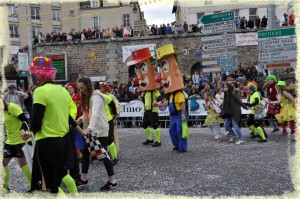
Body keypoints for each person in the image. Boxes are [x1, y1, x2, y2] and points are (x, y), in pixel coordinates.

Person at [28, 56, 86, 196]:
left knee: (48, 185)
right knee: (60, 175)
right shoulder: (63, 91)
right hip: (64, 142)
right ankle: (75, 195)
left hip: (47, 142)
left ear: (38, 75)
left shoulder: (40, 91)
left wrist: (29, 132)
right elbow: (68, 117)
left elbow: (36, 122)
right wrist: (81, 132)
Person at [75, 76, 117, 191]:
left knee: (102, 156)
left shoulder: (96, 97)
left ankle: (112, 181)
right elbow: (87, 113)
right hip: (90, 130)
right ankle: (84, 179)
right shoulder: (88, 96)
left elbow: (95, 114)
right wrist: (79, 120)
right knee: (85, 155)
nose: (81, 91)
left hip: (99, 131)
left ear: (88, 86)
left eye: (82, 88)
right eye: (79, 89)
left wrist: (90, 128)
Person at [156, 44, 188, 152]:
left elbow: (183, 104)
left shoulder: (179, 94)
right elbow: (167, 104)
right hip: (173, 116)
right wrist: (158, 104)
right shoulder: (170, 95)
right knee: (171, 131)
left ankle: (183, 148)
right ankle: (177, 145)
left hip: (179, 115)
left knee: (180, 130)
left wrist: (183, 115)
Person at [127, 48, 162, 147]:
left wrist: (155, 100)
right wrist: (141, 96)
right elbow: (143, 97)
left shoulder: (154, 90)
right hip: (147, 110)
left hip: (153, 110)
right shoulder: (145, 91)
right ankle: (150, 139)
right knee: (144, 125)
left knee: (155, 125)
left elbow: (160, 97)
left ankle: (158, 141)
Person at [3, 101, 31, 191]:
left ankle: (33, 186)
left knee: (22, 164)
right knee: (3, 163)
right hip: (9, 141)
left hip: (20, 140)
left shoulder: (13, 107)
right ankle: (5, 187)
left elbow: (25, 120)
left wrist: (23, 130)